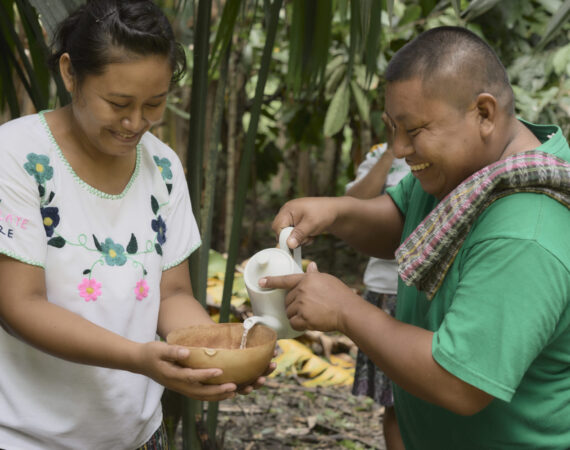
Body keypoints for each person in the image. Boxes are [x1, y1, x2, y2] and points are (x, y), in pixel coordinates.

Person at [260, 26, 570, 449]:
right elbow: (399, 220)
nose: (400, 149)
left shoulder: (525, 234)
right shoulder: (463, 175)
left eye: (414, 130)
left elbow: (461, 382)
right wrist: (335, 212)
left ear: (484, 113)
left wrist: (346, 311)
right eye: (392, 129)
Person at [0, 1, 272, 449]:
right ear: (70, 74)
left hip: (137, 435)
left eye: (154, 104)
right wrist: (139, 359)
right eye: (118, 103)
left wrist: (209, 357)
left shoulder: (162, 166)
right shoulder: (17, 157)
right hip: (27, 437)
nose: (134, 123)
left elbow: (173, 294)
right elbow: (18, 305)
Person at [345, 142, 408, 450]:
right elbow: (352, 205)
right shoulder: (378, 153)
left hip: (433, 288)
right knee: (397, 402)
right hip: (387, 289)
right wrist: (391, 152)